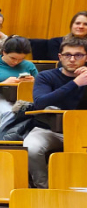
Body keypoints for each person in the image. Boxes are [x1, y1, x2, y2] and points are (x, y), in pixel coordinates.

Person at [24, 37, 87, 187]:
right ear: (60, 57)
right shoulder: (46, 76)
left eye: (78, 55)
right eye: (67, 55)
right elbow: (40, 102)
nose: (72, 59)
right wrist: (75, 84)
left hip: (82, 131)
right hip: (49, 129)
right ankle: (44, 187)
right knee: (31, 147)